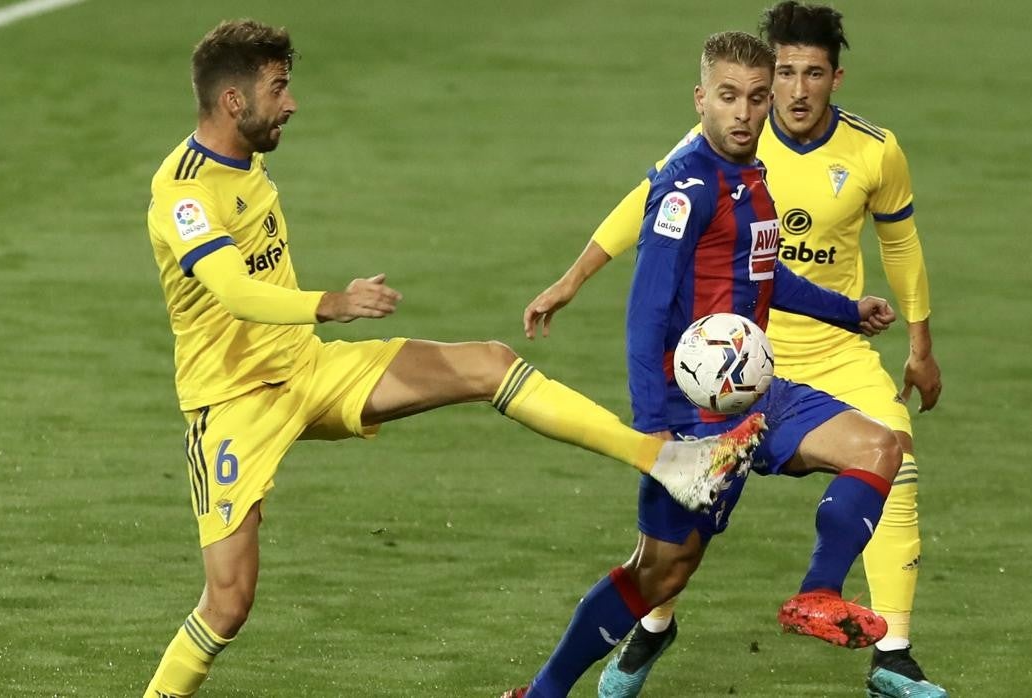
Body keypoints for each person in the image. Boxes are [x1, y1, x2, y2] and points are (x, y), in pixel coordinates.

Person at [140, 19, 765, 698]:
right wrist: (332, 303)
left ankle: (667, 460)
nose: (291, 102)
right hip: (233, 406)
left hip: (309, 370)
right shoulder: (183, 193)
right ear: (234, 102)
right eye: (278, 87)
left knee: (489, 364)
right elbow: (231, 289)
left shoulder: (247, 159)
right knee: (228, 604)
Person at [522, 4, 946, 696]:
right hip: (695, 418)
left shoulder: (750, 176)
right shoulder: (688, 187)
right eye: (729, 97)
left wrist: (845, 309)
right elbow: (645, 311)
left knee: (880, 449)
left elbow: (763, 271)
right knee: (657, 573)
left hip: (756, 391)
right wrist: (655, 432)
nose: (746, 113)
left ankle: (818, 593)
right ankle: (543, 692)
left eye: (756, 96)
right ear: (701, 100)